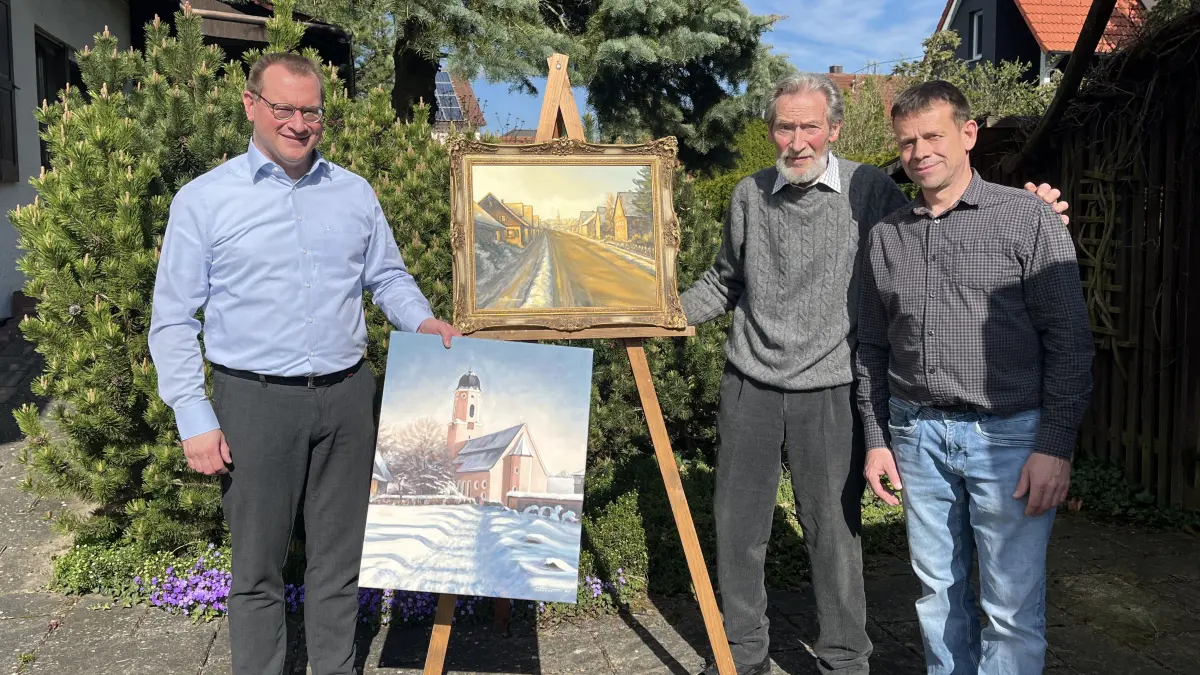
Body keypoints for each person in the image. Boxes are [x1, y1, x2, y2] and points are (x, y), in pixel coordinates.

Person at [681, 72, 1069, 675]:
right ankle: (740, 655)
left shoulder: (871, 190)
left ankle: (844, 658)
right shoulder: (747, 196)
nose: (799, 140)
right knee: (737, 529)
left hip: (834, 384)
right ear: (771, 132)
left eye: (812, 126)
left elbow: (940, 219)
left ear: (834, 130)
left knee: (835, 534)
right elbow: (722, 281)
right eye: (787, 126)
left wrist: (1033, 214)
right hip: (750, 380)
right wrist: (656, 313)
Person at [147, 53, 460, 675]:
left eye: (309, 110)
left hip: (348, 398)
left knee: (339, 563)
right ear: (251, 106)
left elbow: (388, 276)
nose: (297, 123)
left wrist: (421, 321)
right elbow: (173, 317)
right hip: (253, 403)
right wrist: (192, 413)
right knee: (258, 568)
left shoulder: (354, 193)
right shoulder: (204, 201)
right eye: (282, 108)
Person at [854, 80, 1093, 675]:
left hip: (1010, 439)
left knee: (1010, 606)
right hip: (917, 437)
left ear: (967, 135)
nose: (919, 151)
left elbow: (1069, 341)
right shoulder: (885, 238)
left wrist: (1054, 447)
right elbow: (872, 347)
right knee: (937, 596)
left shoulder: (1027, 221)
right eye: (907, 141)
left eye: (932, 135)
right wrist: (879, 439)